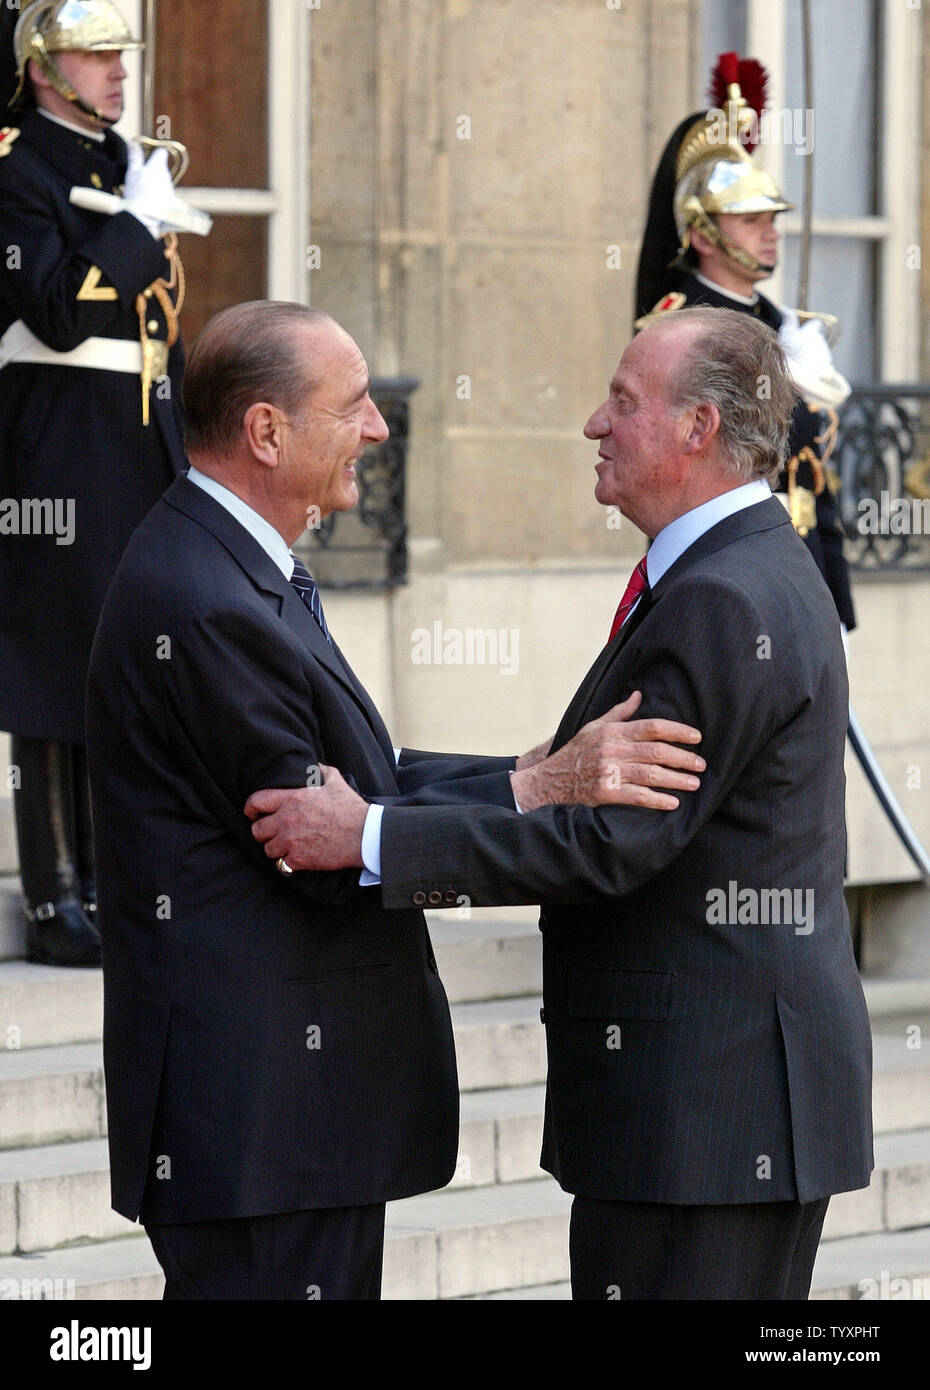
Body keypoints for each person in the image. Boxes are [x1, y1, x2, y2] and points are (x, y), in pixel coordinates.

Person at [85, 299, 707, 1301]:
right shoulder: (203, 598)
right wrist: (540, 789)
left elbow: (358, 780)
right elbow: (317, 848)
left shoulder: (232, 563)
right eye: (355, 404)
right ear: (265, 430)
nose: (377, 428)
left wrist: (522, 770)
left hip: (285, 1126)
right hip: (260, 1126)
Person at [249, 308, 874, 1301]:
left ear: (698, 429)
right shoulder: (739, 568)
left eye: (624, 403)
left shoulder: (723, 598)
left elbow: (604, 843)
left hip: (705, 1120)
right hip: (717, 1110)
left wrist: (367, 836)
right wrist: (391, 783)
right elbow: (564, 776)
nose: (593, 423)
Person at [0, 0, 192, 965]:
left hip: (136, 440)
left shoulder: (119, 163)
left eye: (123, 52)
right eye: (97, 53)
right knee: (48, 677)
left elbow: (156, 325)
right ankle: (52, 902)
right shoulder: (18, 166)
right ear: (42, 66)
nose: (120, 70)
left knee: (117, 669)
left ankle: (117, 889)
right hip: (60, 450)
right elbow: (58, 311)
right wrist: (137, 227)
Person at [633, 52, 855, 632]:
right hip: (735, 570)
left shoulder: (786, 324)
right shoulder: (682, 327)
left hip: (812, 561)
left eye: (772, 218)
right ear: (703, 233)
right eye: (750, 220)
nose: (770, 232)